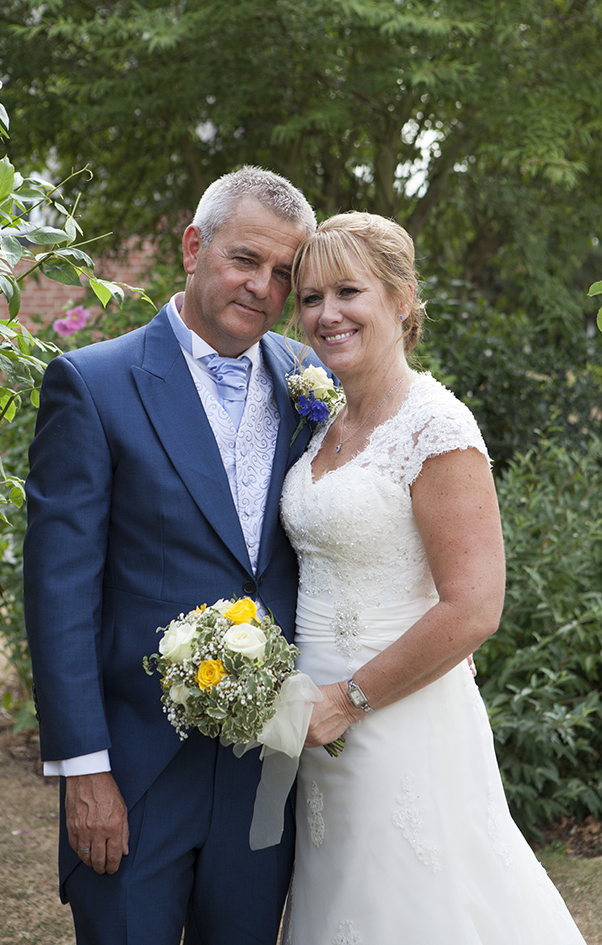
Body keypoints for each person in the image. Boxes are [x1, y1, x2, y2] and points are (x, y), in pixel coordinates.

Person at [23, 166, 321, 945]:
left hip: (265, 771)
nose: (263, 286)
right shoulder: (93, 384)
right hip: (135, 770)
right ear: (194, 246)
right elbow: (60, 593)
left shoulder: (308, 384)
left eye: (284, 273)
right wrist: (84, 770)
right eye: (245, 259)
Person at [279, 211, 587, 944]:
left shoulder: (437, 427)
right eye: (311, 296)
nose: (327, 313)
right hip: (314, 735)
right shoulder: (324, 421)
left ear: (402, 299)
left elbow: (475, 604)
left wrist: (349, 700)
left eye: (347, 290)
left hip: (394, 720)